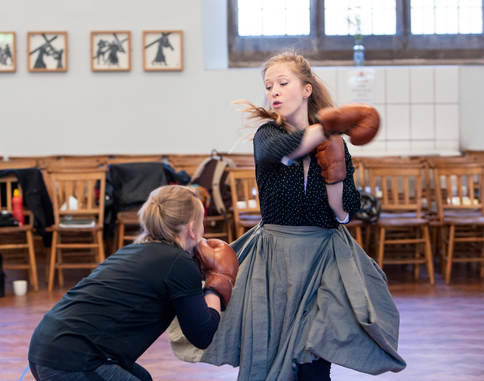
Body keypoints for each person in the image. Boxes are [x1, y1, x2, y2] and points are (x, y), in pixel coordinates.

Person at [169, 49, 406, 380]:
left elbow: (343, 214)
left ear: (306, 89)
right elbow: (282, 150)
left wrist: (335, 172)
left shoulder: (335, 142)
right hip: (275, 262)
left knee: (315, 363)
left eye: (283, 82)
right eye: (269, 86)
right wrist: (326, 129)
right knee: (268, 358)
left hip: (325, 258)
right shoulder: (268, 135)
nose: (274, 91)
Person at [28, 185, 238, 381]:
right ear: (192, 229)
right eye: (202, 222)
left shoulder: (132, 250)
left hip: (44, 347)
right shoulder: (179, 262)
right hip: (72, 361)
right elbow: (202, 335)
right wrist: (218, 282)